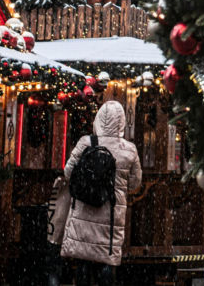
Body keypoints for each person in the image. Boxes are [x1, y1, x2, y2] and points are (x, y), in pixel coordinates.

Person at [61, 101, 142, 286]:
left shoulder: (86, 142)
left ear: (97, 119)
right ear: (121, 122)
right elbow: (135, 182)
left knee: (83, 260)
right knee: (106, 260)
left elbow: (68, 172)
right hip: (111, 215)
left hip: (84, 211)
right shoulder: (129, 150)